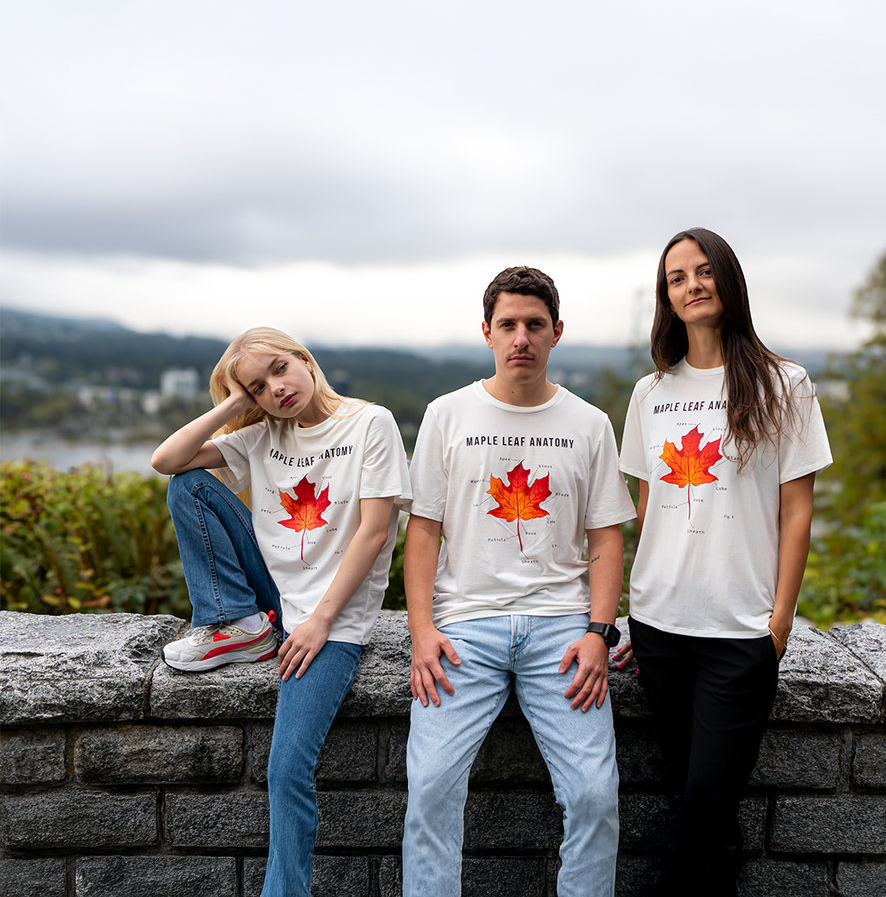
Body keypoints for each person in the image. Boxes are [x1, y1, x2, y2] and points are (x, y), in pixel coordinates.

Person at [401, 267, 636, 897]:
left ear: (557, 332)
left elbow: (606, 537)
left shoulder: (588, 423)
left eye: (535, 325)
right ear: (487, 332)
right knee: (428, 790)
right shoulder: (447, 415)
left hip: (562, 630)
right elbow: (422, 531)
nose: (521, 338)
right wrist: (421, 630)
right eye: (508, 325)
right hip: (462, 630)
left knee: (593, 794)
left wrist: (598, 631)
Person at [151, 327, 411, 897]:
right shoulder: (261, 435)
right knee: (187, 486)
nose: (276, 387)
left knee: (286, 768)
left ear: (304, 359)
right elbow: (166, 460)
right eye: (259, 385)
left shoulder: (371, 423)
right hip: (276, 595)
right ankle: (238, 623)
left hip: (333, 619)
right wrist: (235, 404)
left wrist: (319, 620)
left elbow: (373, 532)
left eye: (279, 369)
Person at [615, 229, 832, 897]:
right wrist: (631, 609)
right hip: (660, 625)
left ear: (728, 281)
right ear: (667, 298)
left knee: (706, 800)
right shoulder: (652, 393)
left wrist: (780, 621)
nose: (692, 285)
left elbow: (797, 511)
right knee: (691, 798)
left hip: (739, 631)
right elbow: (647, 508)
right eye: (677, 278)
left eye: (704, 271)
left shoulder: (783, 384)